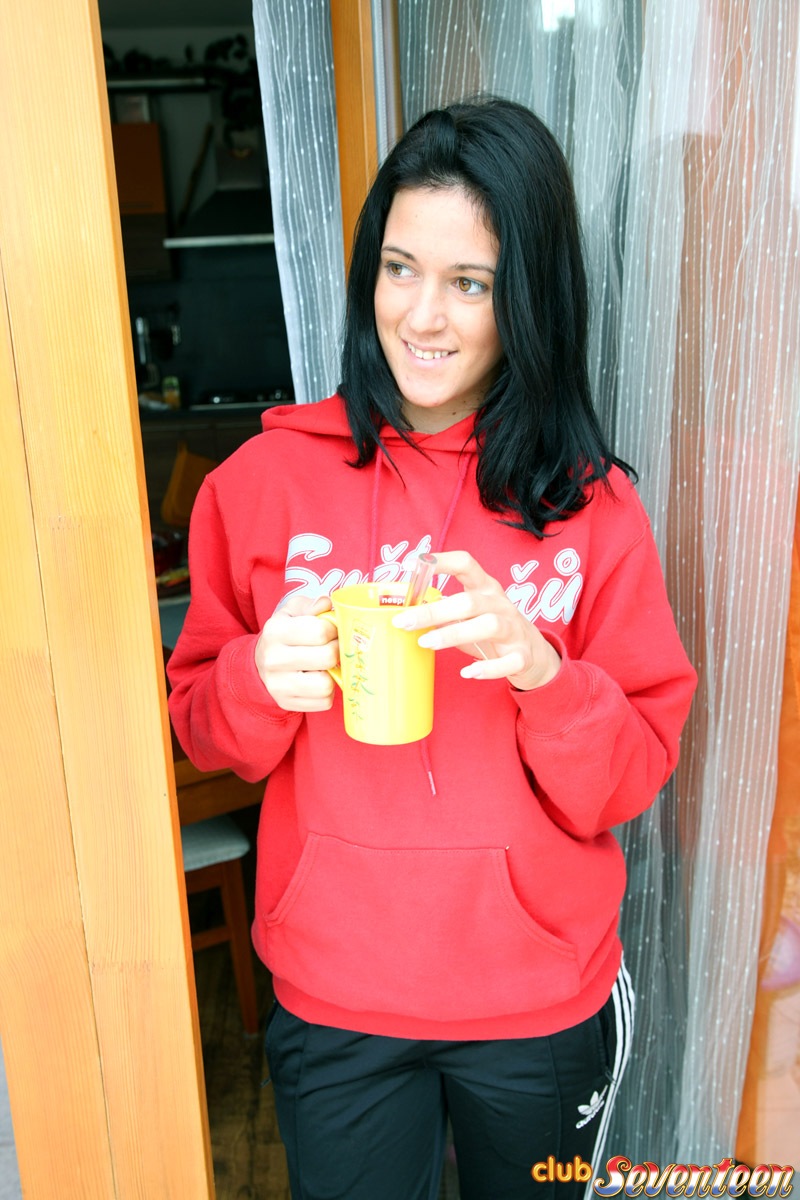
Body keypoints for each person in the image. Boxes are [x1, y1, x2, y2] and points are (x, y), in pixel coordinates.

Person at [167, 98, 697, 1200]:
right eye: (400, 268)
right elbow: (208, 736)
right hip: (336, 996)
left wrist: (542, 673)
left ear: (528, 299)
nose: (422, 315)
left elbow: (629, 779)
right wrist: (256, 680)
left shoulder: (591, 508)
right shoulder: (261, 485)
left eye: (470, 283)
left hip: (537, 1001)